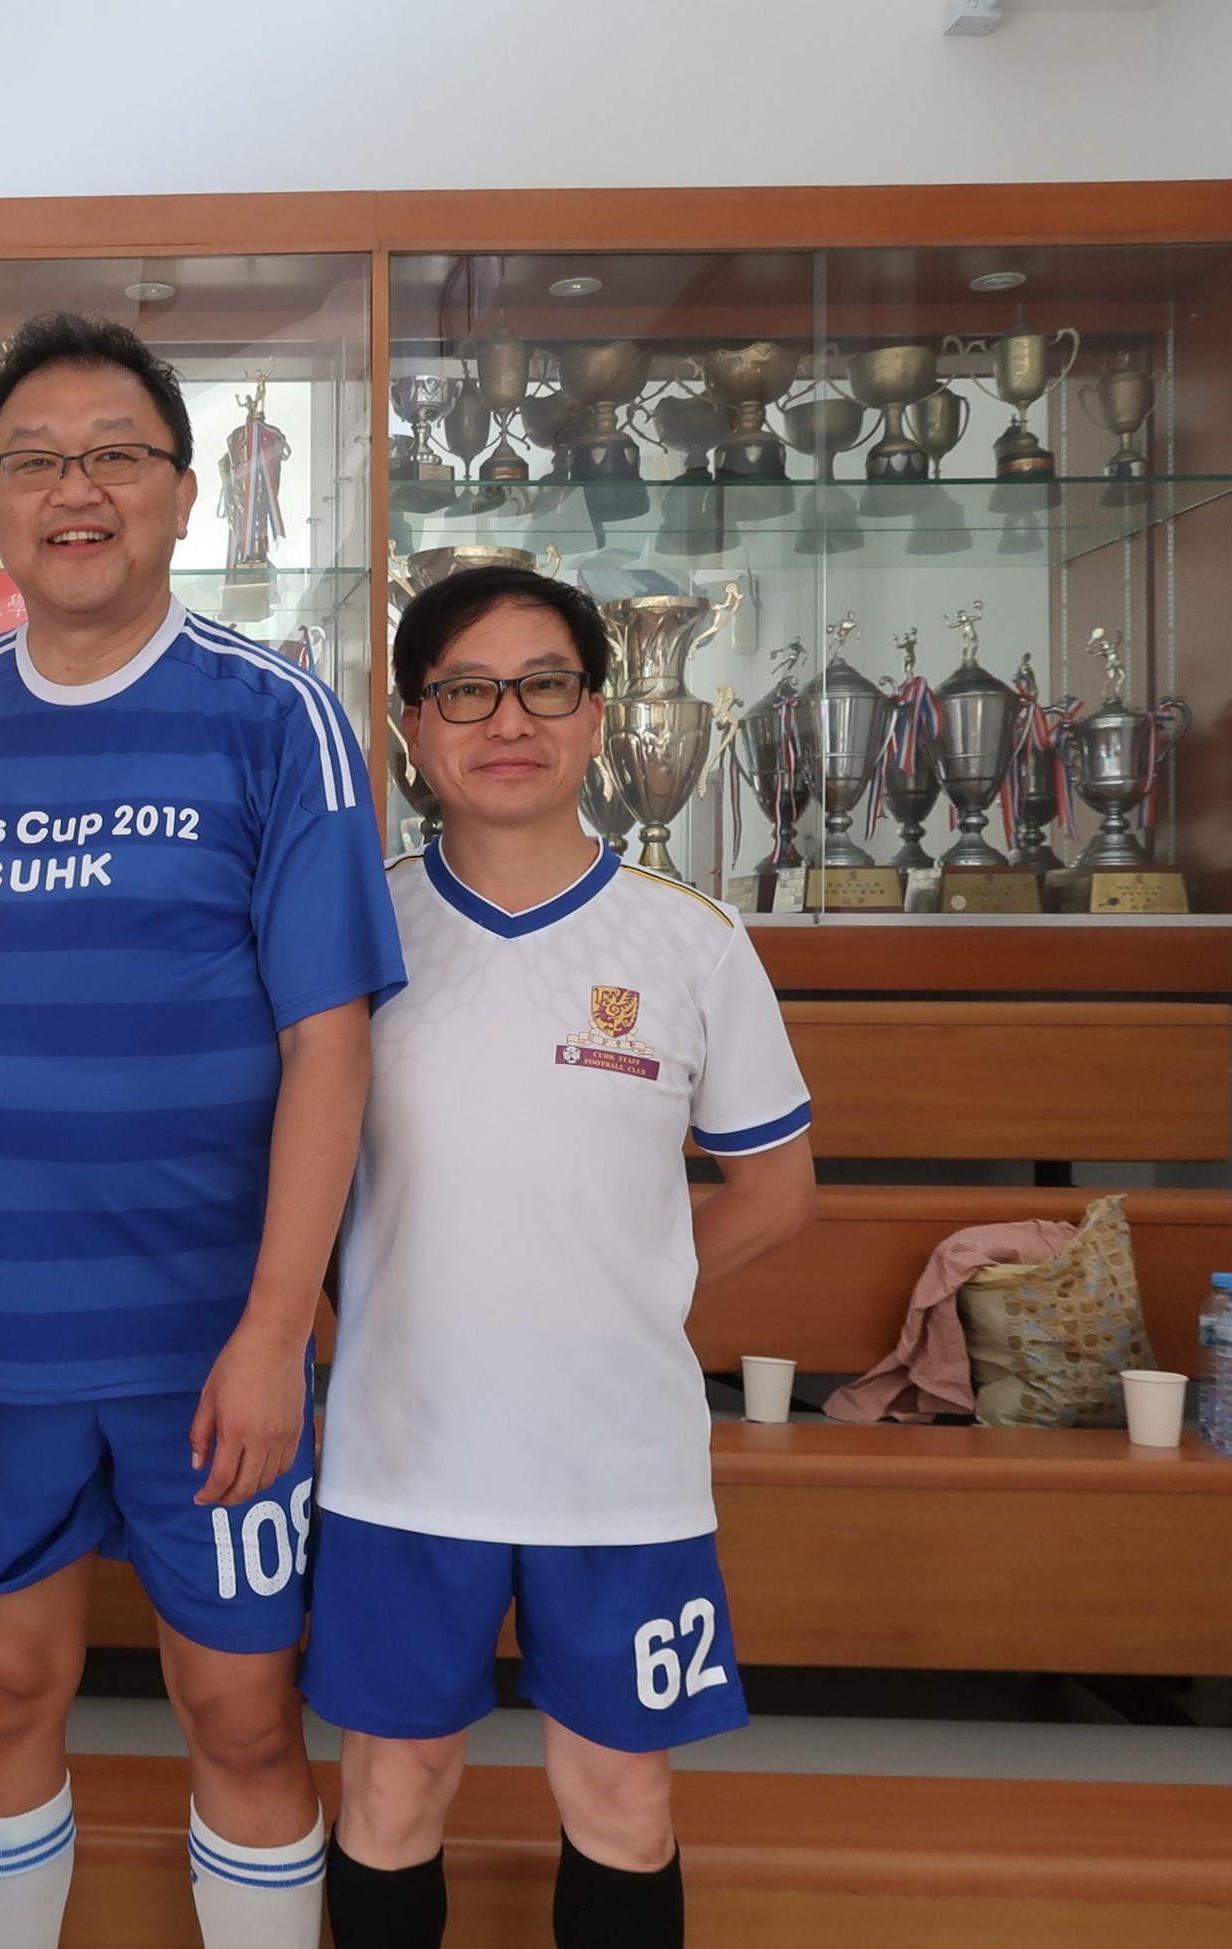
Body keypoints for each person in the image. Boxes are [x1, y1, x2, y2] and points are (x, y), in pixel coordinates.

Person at [0, 313, 403, 1949]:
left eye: (115, 456)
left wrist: (268, 1331)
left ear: (183, 494)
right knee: (0, 1691)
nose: (74, 489)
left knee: (241, 1712)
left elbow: (332, 1044)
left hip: (208, 1353)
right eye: (33, 459)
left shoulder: (271, 712)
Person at [304, 565, 818, 1949]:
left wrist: (626, 1266)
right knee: (394, 1783)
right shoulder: (356, 932)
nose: (506, 718)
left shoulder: (693, 943)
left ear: (598, 716)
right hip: (403, 1456)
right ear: (411, 727)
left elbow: (774, 1189)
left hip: (621, 1467)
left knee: (619, 1797)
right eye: (464, 689)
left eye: (545, 684)